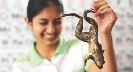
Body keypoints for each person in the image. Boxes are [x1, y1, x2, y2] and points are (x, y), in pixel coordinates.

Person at [13, 0, 118, 72]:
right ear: (28, 22)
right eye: (43, 22)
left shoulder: (81, 48)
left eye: (57, 21)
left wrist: (105, 34)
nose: (51, 29)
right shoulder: (21, 66)